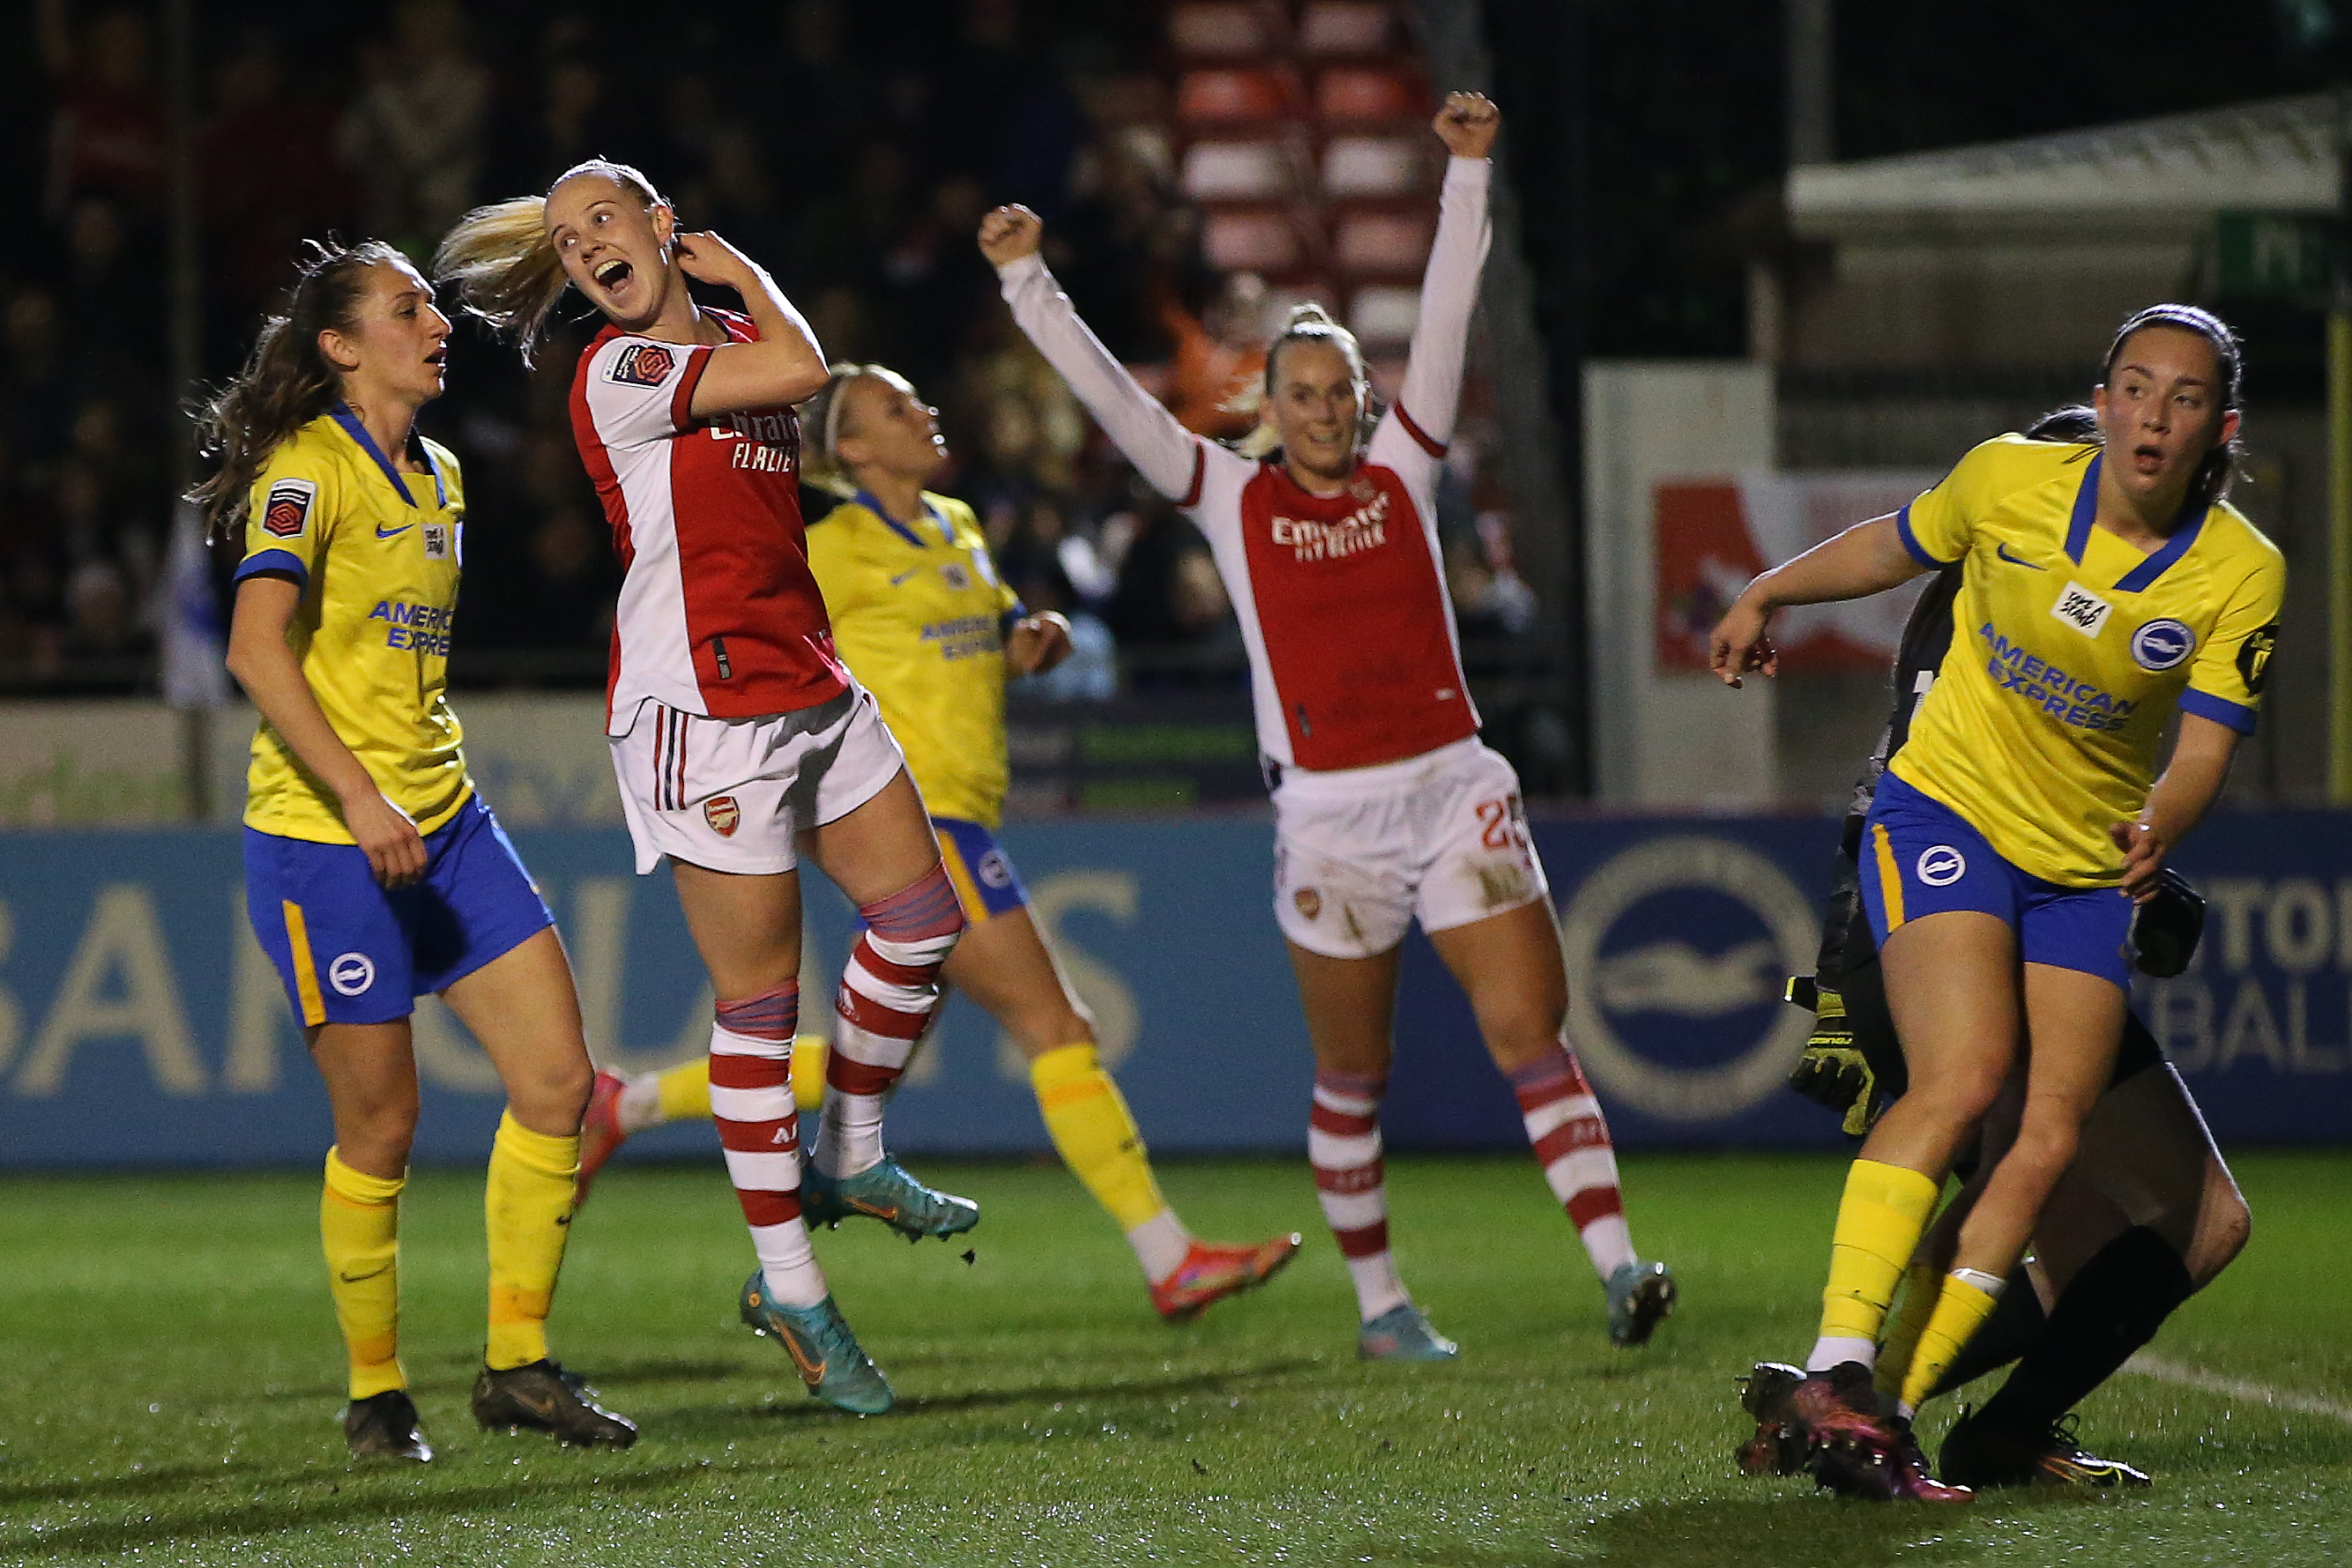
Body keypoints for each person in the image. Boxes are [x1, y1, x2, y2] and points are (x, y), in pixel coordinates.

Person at [981, 93, 1675, 1359]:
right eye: (1299, 391)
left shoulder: (1408, 467)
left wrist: (1467, 173)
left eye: (1338, 390)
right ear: (1273, 399)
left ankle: (1621, 1263)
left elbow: (1453, 313)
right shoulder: (1226, 494)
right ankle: (1381, 1304)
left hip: (1454, 782)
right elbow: (1114, 402)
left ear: (1363, 398)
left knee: (1531, 1032)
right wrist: (1030, 284)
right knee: (1356, 1072)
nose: (1319, 409)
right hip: (1331, 816)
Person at [572, 361, 1304, 1321]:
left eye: (917, 396)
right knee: (1058, 1028)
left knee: (872, 1065)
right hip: (918, 814)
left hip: (966, 804)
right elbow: (750, 618)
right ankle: (1170, 1259)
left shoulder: (957, 527)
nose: (923, 408)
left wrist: (1026, 640)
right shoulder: (827, 542)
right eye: (892, 405)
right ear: (851, 449)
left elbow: (990, 634)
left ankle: (623, 1109)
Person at [1709, 305, 2283, 1502]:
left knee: (2191, 1219)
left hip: (2066, 889)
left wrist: (2158, 831)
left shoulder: (2236, 571)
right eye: (2130, 391)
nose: (2146, 420)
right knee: (1976, 1100)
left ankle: (1966, 1416)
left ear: (2214, 428)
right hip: (1944, 870)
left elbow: (2197, 747)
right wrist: (1768, 589)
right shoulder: (1999, 513)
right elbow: (1889, 742)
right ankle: (1852, 1380)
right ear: (2100, 402)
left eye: (2178, 400)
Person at [435, 159, 974, 1416]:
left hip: (811, 675)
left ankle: (848, 1152)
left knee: (922, 923)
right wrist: (744, 273)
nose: (584, 252)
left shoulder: (730, 337)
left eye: (603, 224)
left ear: (659, 225)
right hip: (705, 711)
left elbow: (789, 410)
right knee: (759, 1004)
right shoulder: (617, 373)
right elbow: (805, 372)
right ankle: (793, 1287)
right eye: (566, 244)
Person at [194, 239, 636, 1460]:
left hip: (446, 822)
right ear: (341, 345)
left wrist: (409, 801)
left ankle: (516, 1361)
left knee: (559, 1079)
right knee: (383, 1125)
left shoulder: (440, 472)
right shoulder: (304, 471)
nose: (436, 321)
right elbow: (254, 649)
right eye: (407, 308)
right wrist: (359, 798)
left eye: (433, 303)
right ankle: (378, 1387)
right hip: (325, 840)